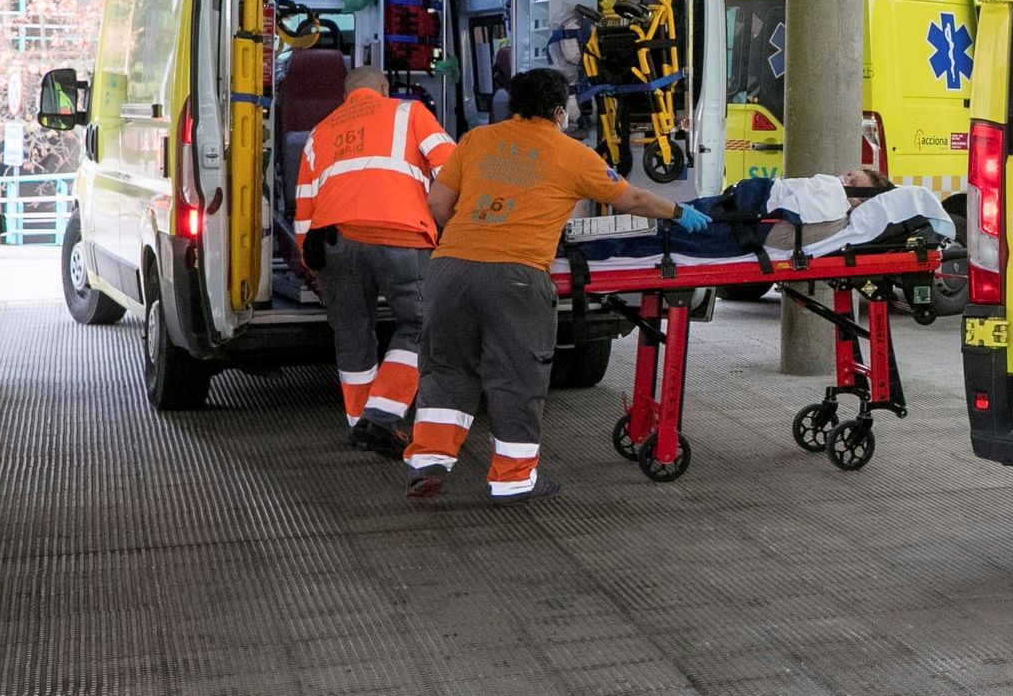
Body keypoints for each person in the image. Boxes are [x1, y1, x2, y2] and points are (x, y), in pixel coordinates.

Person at [405, 67, 710, 503]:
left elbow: (437, 203)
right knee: (515, 376)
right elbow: (633, 198)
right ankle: (513, 479)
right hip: (516, 275)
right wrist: (680, 213)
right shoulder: (571, 154)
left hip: (449, 267)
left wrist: (474, 240)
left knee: (446, 369)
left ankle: (428, 462)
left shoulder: (475, 141)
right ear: (556, 110)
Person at [295, 66, 455, 458]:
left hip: (335, 242)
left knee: (351, 330)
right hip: (400, 234)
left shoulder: (319, 132)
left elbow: (304, 204)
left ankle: (359, 423)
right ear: (383, 88)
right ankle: (380, 417)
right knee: (422, 325)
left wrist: (309, 261)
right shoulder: (409, 112)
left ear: (346, 95)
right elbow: (452, 167)